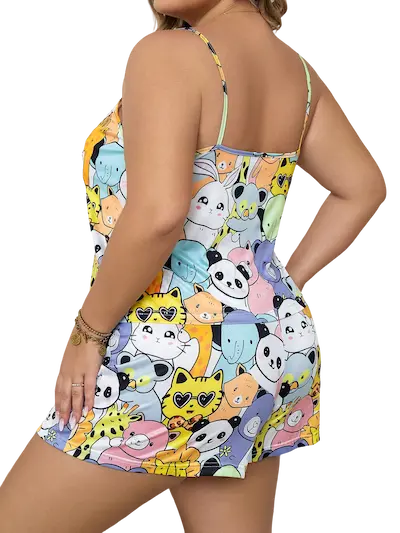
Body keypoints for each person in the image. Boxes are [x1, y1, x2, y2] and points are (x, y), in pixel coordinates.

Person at [0, 1, 387, 532]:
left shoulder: (169, 54)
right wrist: (276, 287)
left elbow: (160, 214)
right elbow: (364, 186)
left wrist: (88, 332)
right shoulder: (297, 73)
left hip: (165, 350)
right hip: (273, 355)